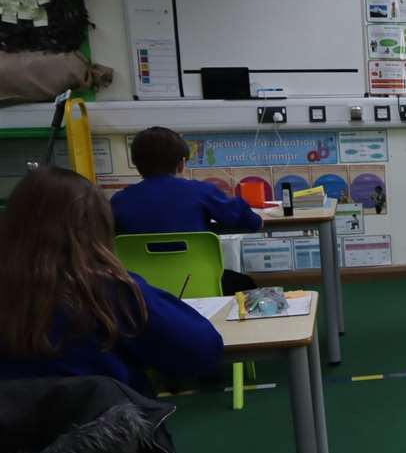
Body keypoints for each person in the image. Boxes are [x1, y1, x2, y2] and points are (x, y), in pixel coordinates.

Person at [0, 167, 224, 392]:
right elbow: (202, 350)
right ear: (95, 227)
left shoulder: (123, 200)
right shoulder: (107, 291)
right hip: (102, 422)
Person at [111, 126, 266, 294]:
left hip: (142, 291)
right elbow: (251, 223)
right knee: (245, 283)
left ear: (135, 163)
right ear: (182, 163)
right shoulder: (201, 192)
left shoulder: (119, 201)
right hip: (198, 283)